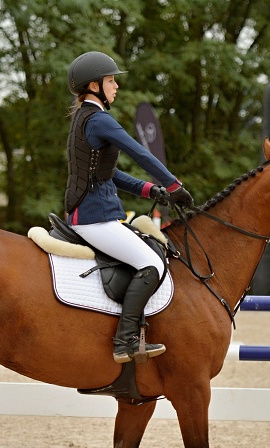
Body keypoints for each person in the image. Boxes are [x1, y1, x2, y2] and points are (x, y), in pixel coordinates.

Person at [65, 51, 194, 364]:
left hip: (92, 214)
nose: (116, 87)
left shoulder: (85, 118)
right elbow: (141, 154)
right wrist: (176, 186)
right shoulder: (98, 119)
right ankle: (124, 341)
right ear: (94, 85)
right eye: (111, 81)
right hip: (95, 219)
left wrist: (151, 189)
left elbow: (108, 174)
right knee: (152, 264)